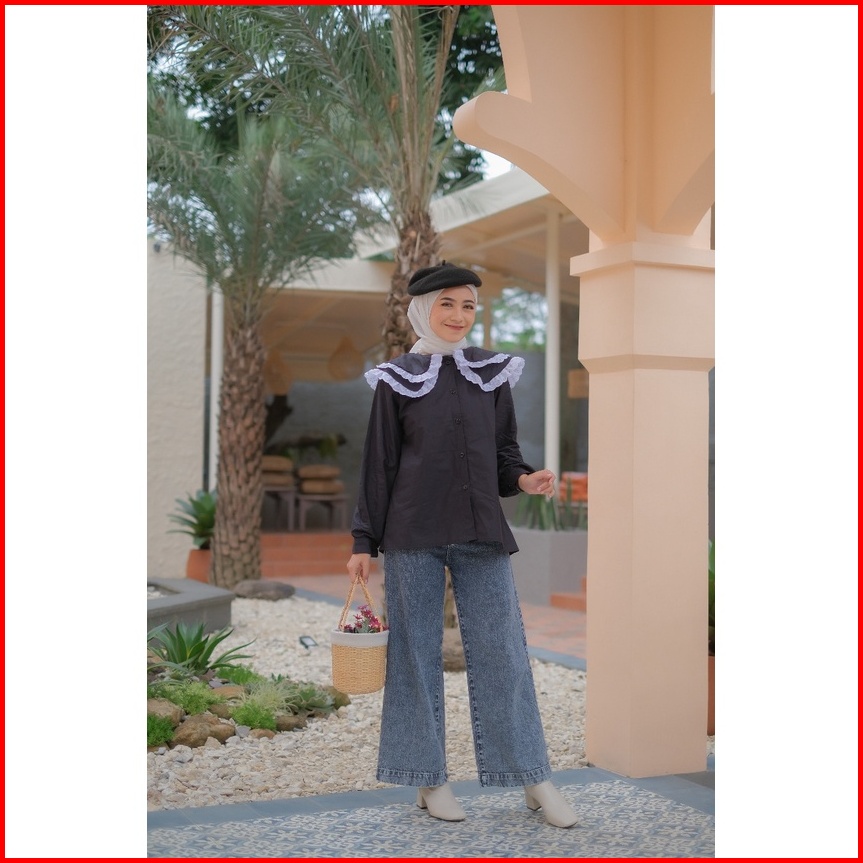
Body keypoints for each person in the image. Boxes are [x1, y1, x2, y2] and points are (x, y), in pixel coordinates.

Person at [346, 262, 578, 828]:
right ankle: (428, 779)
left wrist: (523, 479)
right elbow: (379, 463)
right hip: (412, 535)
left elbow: (504, 453)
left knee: (504, 653)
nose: (458, 315)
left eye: (468, 305)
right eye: (447, 304)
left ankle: (532, 777)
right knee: (416, 657)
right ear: (424, 309)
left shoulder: (491, 374)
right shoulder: (396, 379)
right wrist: (363, 540)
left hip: (480, 532)